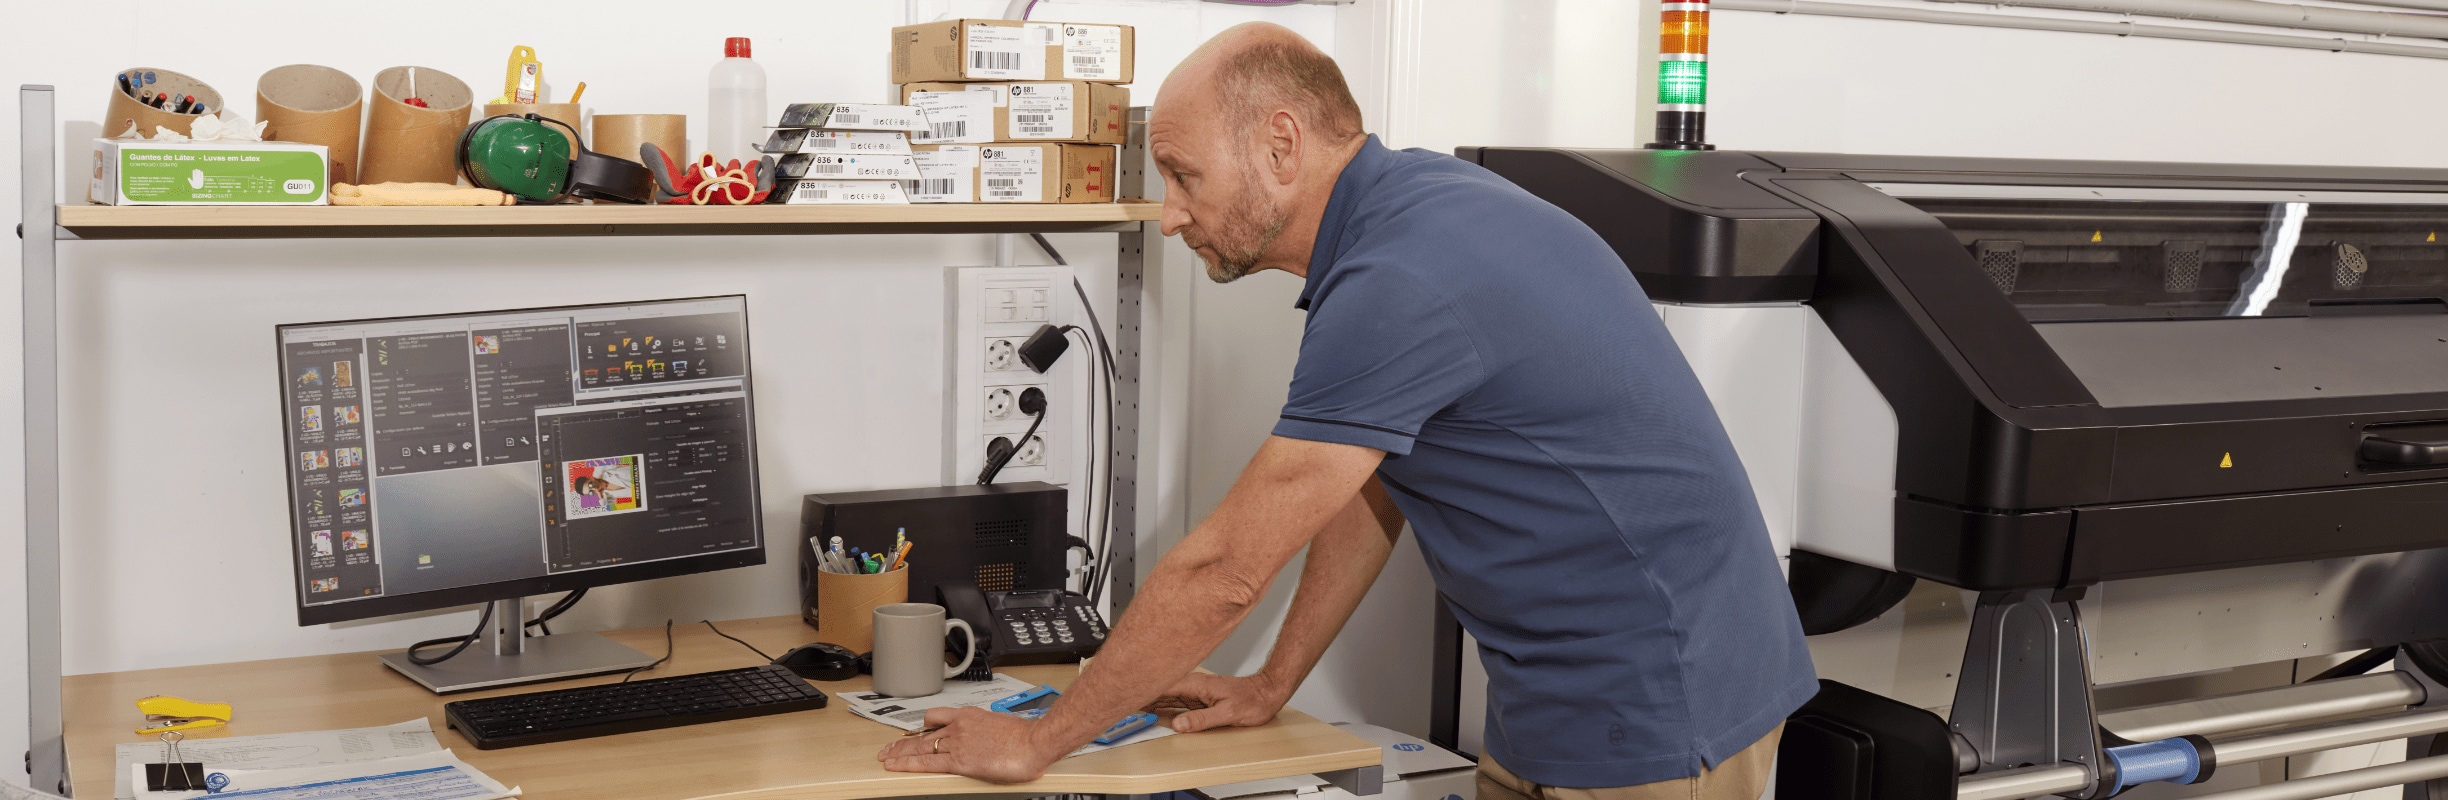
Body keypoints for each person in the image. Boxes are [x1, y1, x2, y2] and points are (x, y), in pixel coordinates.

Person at [877, 22, 1816, 800]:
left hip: (1662, 702)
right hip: (1558, 696)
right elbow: (1377, 486)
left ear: (1281, 146)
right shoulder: (1404, 221)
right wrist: (1275, 681)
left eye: (1183, 173)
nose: (1169, 215)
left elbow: (1222, 572)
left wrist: (1040, 740)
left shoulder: (1401, 275)